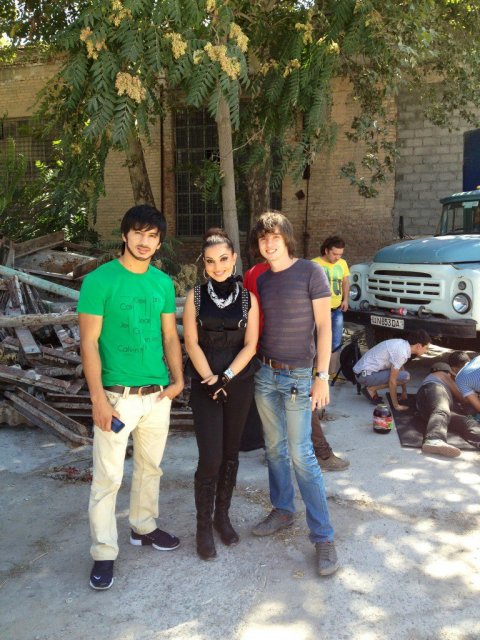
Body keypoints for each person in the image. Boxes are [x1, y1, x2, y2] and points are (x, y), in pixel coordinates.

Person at [78, 205, 184, 591]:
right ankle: (104, 552)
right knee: (108, 478)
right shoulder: (99, 281)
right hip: (116, 396)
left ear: (159, 242)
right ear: (125, 235)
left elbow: (169, 336)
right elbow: (88, 343)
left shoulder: (162, 283)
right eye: (138, 233)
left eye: (152, 236)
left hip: (157, 395)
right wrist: (98, 400)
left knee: (150, 468)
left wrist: (178, 381)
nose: (144, 241)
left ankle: (143, 527)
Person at [249, 211, 339, 577]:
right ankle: (283, 510)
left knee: (302, 455)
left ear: (286, 238)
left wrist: (322, 376)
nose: (269, 244)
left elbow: (324, 327)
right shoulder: (262, 279)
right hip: (265, 374)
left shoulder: (311, 272)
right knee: (274, 449)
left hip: (299, 377)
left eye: (275, 237)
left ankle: (323, 537)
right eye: (263, 238)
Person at [183, 229, 259, 560]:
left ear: (234, 258)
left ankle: (221, 517)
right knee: (210, 457)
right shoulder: (195, 297)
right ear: (204, 264)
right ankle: (203, 527)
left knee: (230, 454)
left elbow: (251, 345)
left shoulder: (248, 299)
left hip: (238, 382)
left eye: (224, 259)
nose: (218, 267)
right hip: (206, 385)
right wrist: (210, 380)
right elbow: (191, 343)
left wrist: (226, 377)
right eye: (211, 261)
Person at [243, 260, 349, 472]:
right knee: (297, 408)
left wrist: (321, 374)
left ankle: (305, 451)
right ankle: (320, 453)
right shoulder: (257, 273)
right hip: (267, 350)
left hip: (281, 352)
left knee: (294, 406)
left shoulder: (295, 271)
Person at [416, 352, 480, 457]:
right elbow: (463, 399)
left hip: (433, 416)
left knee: (469, 422)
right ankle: (434, 439)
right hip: (433, 404)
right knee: (442, 409)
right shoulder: (440, 376)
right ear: (451, 372)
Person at [353, 330, 431, 410]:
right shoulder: (401, 353)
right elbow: (392, 381)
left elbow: (401, 368)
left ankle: (371, 388)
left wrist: (404, 391)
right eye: (426, 348)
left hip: (362, 372)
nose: (426, 351)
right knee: (405, 376)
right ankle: (371, 389)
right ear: (418, 346)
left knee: (403, 375)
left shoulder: (402, 345)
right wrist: (396, 405)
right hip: (364, 376)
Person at [312, 236, 350, 374]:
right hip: (320, 310)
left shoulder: (343, 263)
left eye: (340, 254)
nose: (337, 257)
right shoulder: (314, 264)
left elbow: (345, 282)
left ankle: (331, 372)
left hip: (337, 309)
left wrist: (345, 300)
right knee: (318, 340)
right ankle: (316, 371)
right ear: (326, 250)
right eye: (334, 254)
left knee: (336, 341)